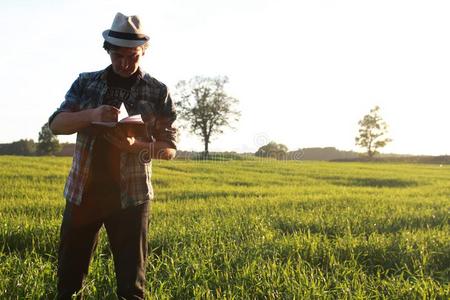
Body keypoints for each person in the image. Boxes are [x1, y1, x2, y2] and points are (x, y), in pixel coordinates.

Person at [49, 12, 177, 299]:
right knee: (69, 284)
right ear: (108, 50)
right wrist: (92, 114)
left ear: (143, 51)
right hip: (83, 193)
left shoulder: (157, 91)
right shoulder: (86, 83)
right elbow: (56, 124)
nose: (124, 62)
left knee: (131, 288)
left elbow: (169, 149)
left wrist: (136, 147)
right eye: (118, 55)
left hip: (132, 197)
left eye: (133, 56)